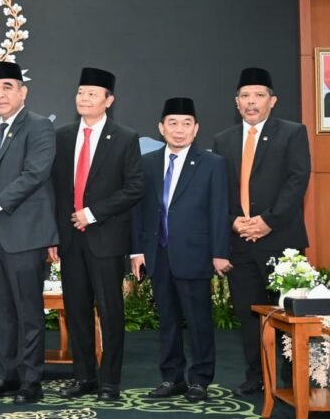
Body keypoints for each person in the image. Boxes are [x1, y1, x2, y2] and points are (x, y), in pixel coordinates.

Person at [212, 68, 311, 396]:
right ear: (236, 102)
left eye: (258, 95)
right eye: (245, 96)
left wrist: (268, 220)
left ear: (272, 101)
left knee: (286, 311)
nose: (251, 102)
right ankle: (256, 375)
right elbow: (219, 189)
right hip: (240, 241)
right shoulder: (223, 139)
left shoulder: (292, 132)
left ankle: (291, 375)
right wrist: (232, 221)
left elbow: (297, 180)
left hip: (281, 240)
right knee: (248, 312)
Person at [0, 61, 58, 405]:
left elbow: (34, 174)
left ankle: (31, 381)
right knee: (1, 311)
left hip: (24, 235)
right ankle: (7, 376)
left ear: (23, 92)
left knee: (28, 311)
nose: (0, 95)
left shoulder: (39, 126)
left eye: (7, 87)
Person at [48, 67, 143, 401]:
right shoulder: (61, 136)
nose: (84, 98)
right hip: (70, 239)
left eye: (92, 93)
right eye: (80, 92)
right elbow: (54, 190)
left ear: (109, 100)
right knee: (76, 311)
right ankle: (84, 376)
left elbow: (135, 187)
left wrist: (93, 213)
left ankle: (109, 381)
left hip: (106, 237)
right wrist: (53, 235)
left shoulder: (125, 137)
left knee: (110, 311)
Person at [130, 97, 231, 402]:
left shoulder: (212, 163)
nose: (179, 129)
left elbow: (219, 210)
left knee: (198, 321)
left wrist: (220, 252)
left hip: (195, 253)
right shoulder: (146, 163)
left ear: (196, 129)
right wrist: (137, 251)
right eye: (172, 123)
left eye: (186, 123)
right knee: (168, 321)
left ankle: (200, 380)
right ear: (161, 128)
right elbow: (138, 210)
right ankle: (172, 378)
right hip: (157, 253)